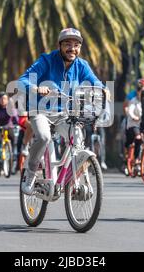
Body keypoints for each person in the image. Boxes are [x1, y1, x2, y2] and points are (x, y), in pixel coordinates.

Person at [18, 28, 106, 195]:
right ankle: (30, 175)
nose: (72, 48)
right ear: (59, 46)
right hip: (41, 110)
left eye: (76, 45)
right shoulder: (47, 60)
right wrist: (36, 88)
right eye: (67, 44)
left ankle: (75, 182)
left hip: (65, 113)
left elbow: (94, 80)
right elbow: (23, 80)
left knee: (78, 140)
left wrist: (102, 89)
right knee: (44, 137)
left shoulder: (81, 65)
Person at [0, 92, 18, 174]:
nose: (3, 100)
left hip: (8, 126)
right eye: (1, 99)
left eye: (5, 99)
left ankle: (11, 154)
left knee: (12, 137)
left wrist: (17, 122)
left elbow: (15, 116)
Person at [124, 79, 144, 175]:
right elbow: (129, 110)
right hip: (133, 124)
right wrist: (134, 117)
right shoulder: (133, 99)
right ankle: (135, 158)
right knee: (137, 138)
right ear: (138, 91)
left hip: (143, 124)